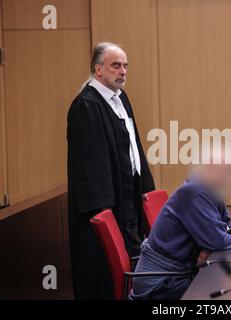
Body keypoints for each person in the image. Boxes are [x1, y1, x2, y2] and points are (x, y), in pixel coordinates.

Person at [67, 42, 155, 300]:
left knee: (133, 263)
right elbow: (91, 168)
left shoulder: (120, 98)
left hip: (127, 196)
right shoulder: (86, 105)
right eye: (116, 66)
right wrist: (106, 214)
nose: (123, 71)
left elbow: (134, 147)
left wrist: (145, 189)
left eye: (125, 66)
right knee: (104, 275)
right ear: (98, 70)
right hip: (105, 206)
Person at [130, 148, 231, 300]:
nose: (226, 177)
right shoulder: (194, 191)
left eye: (229, 171)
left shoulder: (212, 190)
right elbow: (219, 240)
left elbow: (225, 225)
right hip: (160, 283)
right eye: (221, 170)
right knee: (227, 294)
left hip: (177, 274)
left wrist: (215, 241)